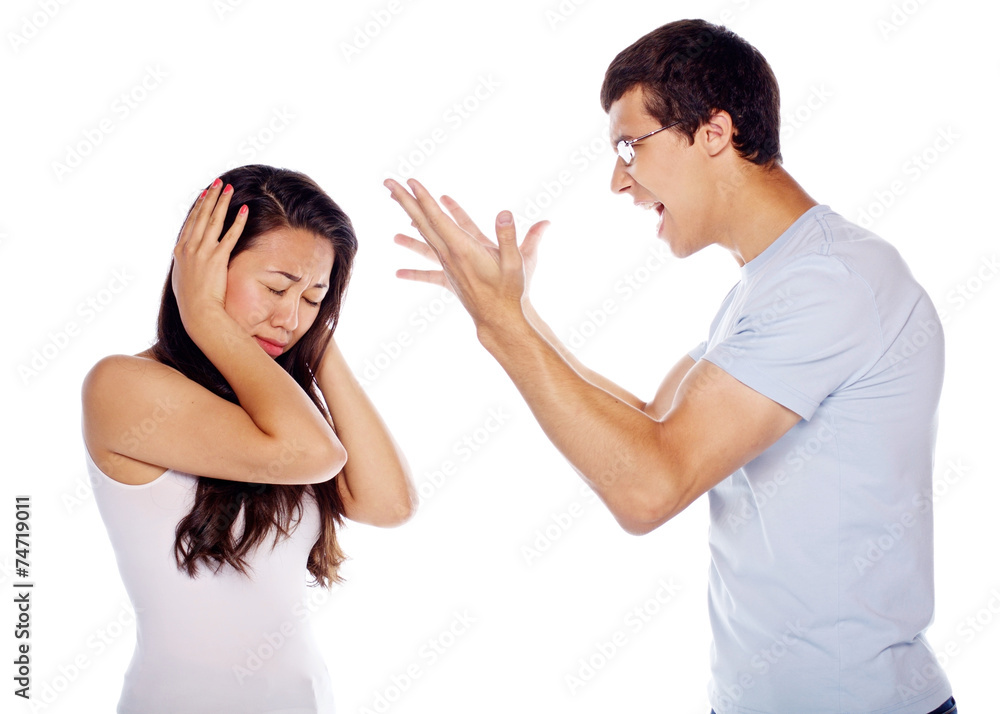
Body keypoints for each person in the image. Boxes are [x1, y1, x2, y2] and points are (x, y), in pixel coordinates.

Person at [385, 18, 956, 714]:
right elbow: (654, 422)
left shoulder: (829, 283)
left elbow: (649, 488)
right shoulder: (772, 284)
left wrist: (502, 326)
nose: (618, 181)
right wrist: (517, 313)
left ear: (713, 132)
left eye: (630, 146)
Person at [81, 164, 416, 713]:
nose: (289, 317)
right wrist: (204, 315)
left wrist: (315, 342)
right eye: (276, 286)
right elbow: (315, 455)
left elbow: (389, 504)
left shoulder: (281, 409)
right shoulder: (121, 387)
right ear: (202, 267)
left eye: (314, 298)